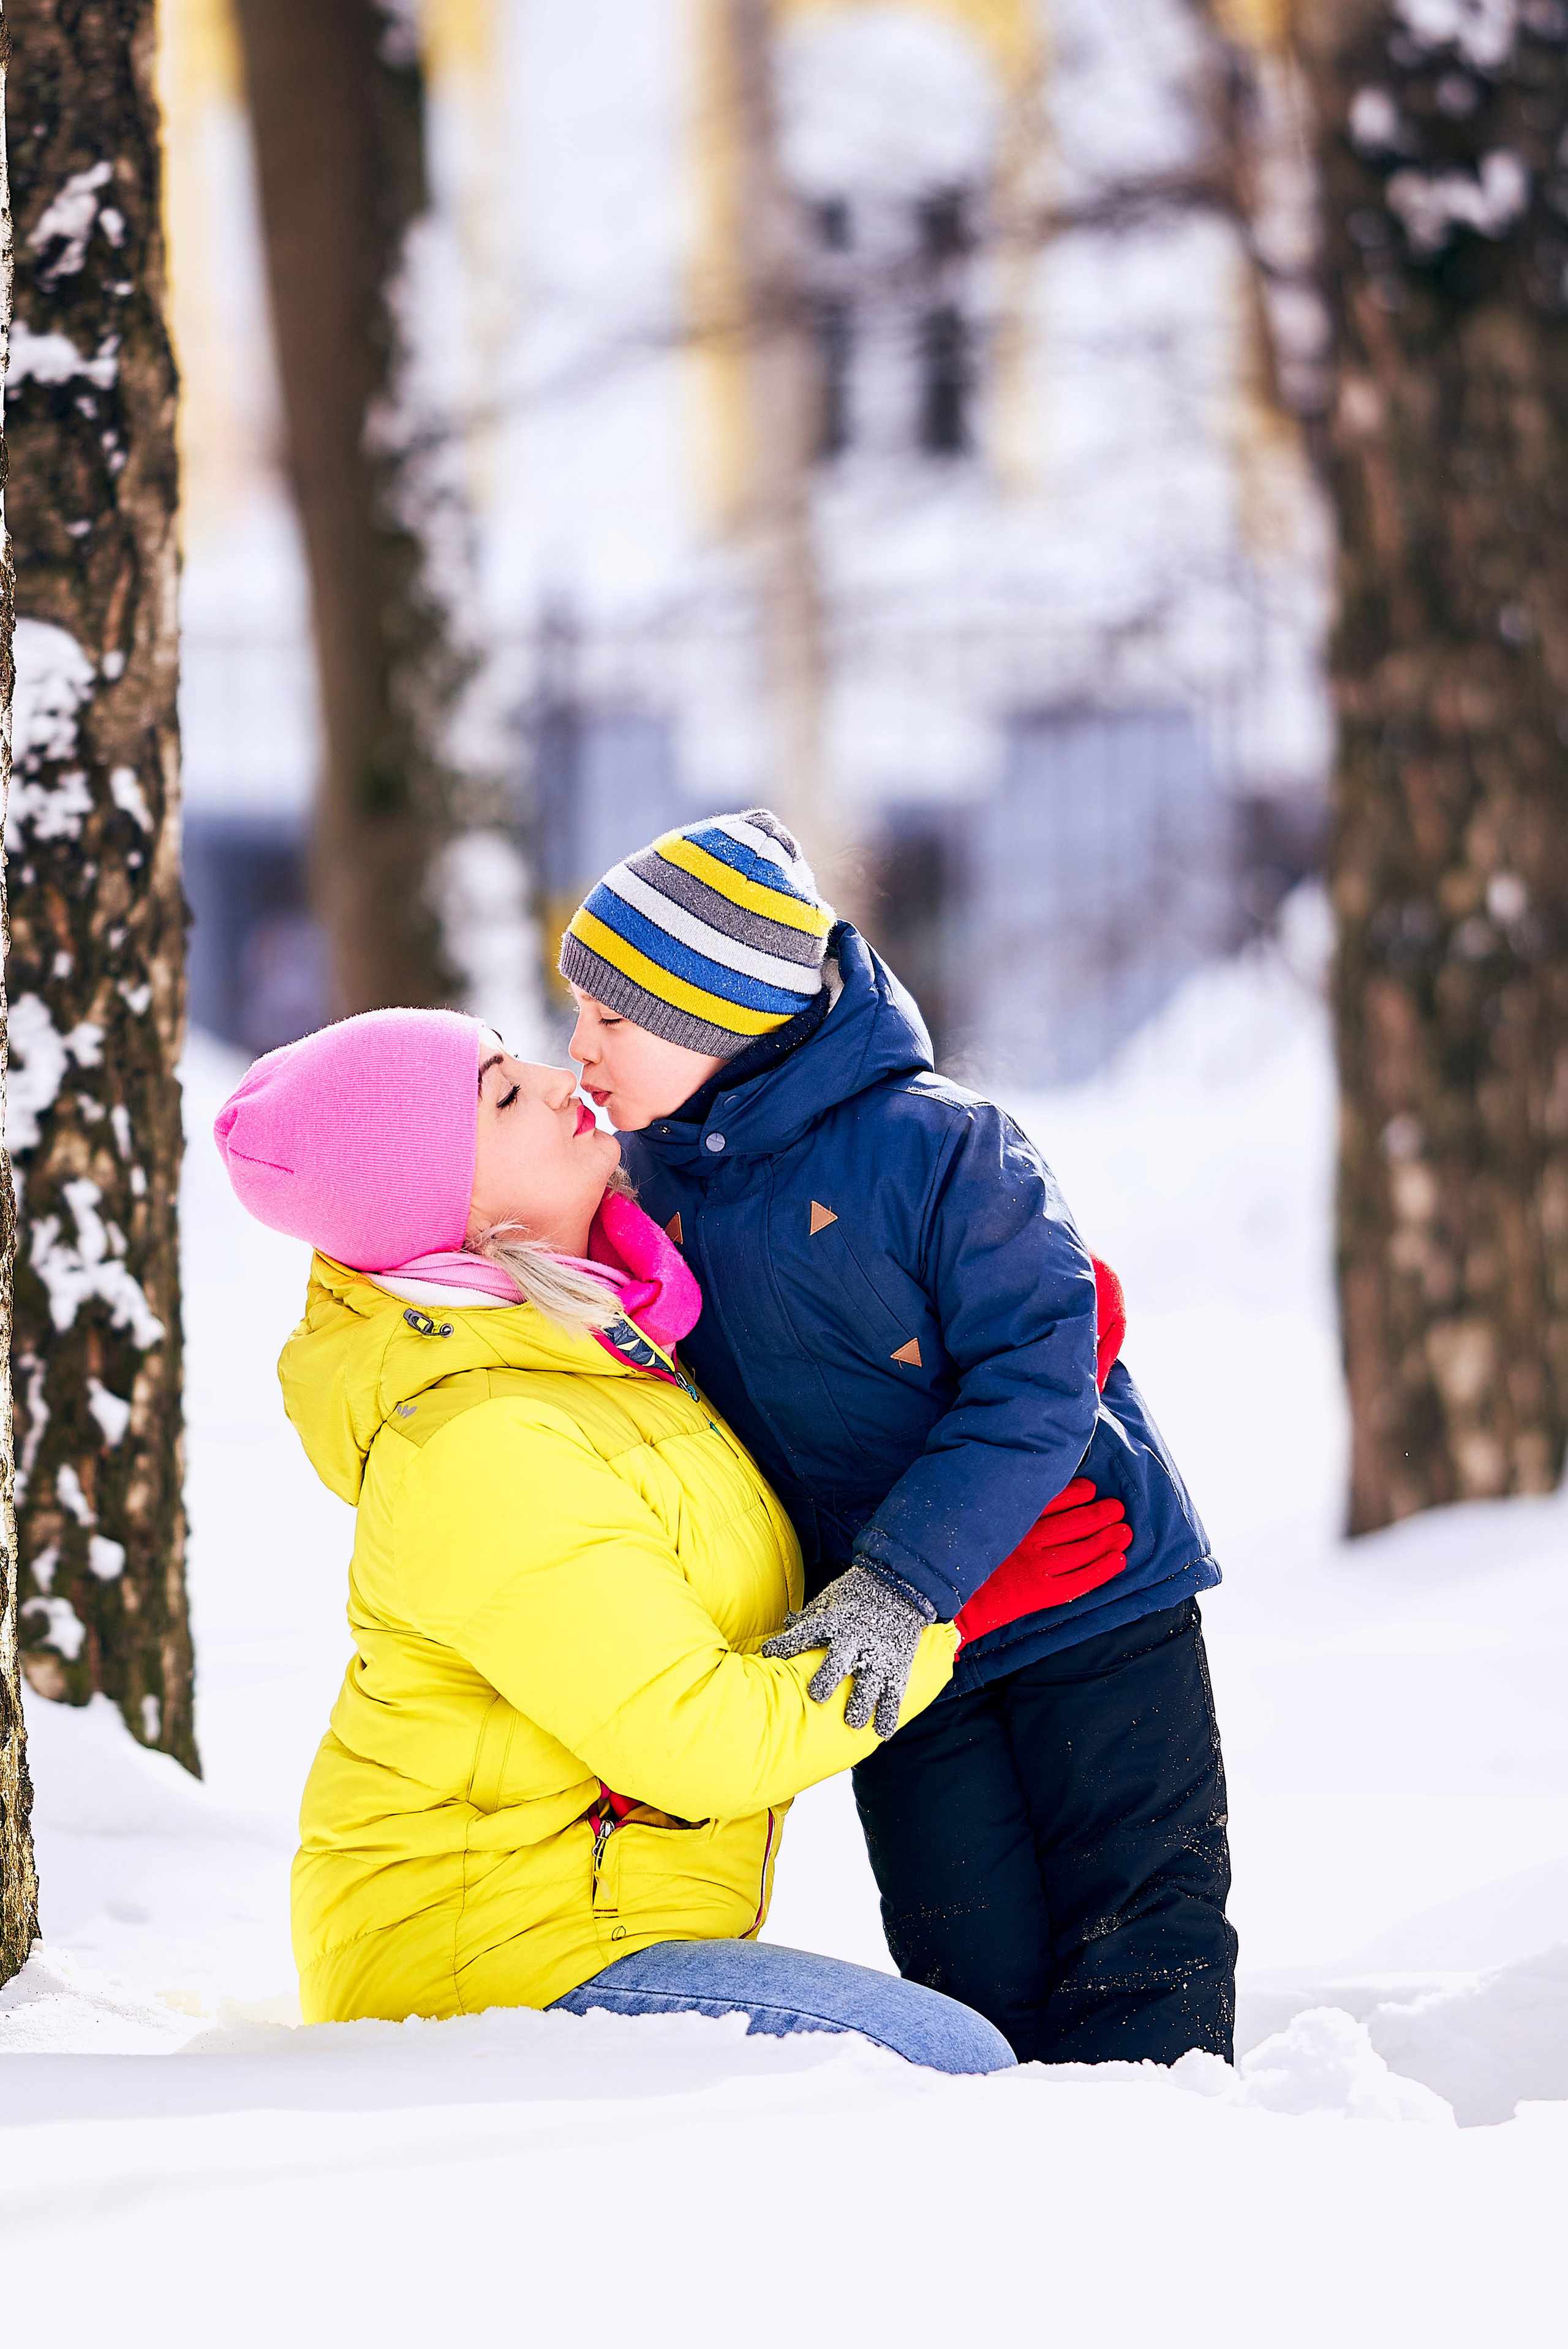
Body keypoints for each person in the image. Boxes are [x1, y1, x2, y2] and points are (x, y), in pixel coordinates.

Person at [213, 1003, 1083, 2070]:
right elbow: (699, 1743)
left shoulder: (598, 1350)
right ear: (454, 1205)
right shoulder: (486, 1442)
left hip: (571, 1932)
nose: (550, 1071)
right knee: (942, 2065)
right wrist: (939, 1603)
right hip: (483, 1965)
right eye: (499, 1093)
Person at [562, 809, 1238, 2066]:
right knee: (964, 1957)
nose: (578, 1046)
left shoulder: (939, 1145)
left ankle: (1161, 2180)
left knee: (1140, 1928)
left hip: (1085, 1591)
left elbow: (1037, 1375)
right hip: (898, 1654)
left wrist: (904, 1578)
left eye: (611, 1017)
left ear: (718, 1012)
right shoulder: (639, 1193)